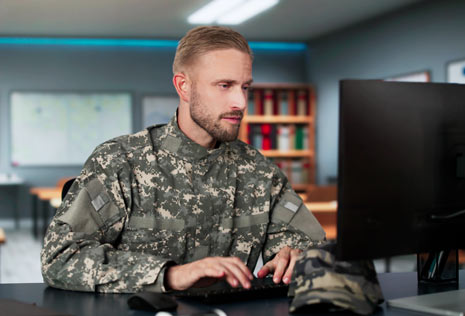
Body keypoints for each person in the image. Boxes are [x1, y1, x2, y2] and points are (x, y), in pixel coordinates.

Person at [40, 26, 326, 293]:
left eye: (245, 87)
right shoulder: (120, 163)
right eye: (225, 85)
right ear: (183, 86)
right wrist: (168, 275)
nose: (240, 102)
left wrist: (296, 254)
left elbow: (311, 244)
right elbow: (60, 257)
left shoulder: (258, 171)